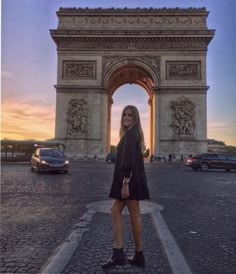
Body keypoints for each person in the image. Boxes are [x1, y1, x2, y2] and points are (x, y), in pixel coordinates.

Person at [102, 105, 150, 269]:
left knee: (117, 211)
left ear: (135, 118)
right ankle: (138, 255)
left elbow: (128, 160)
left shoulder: (130, 134)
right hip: (135, 179)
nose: (126, 117)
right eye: (124, 115)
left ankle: (118, 254)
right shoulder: (135, 133)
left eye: (130, 115)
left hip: (128, 181)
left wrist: (125, 183)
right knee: (135, 215)